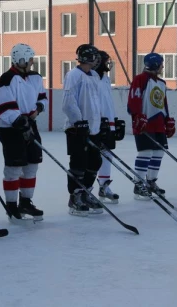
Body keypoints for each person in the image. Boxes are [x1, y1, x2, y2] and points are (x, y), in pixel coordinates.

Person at [0, 43, 46, 222]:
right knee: (14, 168)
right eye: (30, 59)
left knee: (32, 165)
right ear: (21, 59)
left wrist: (39, 108)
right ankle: (11, 206)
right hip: (11, 129)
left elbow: (42, 98)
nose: (32, 62)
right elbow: (4, 107)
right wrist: (18, 120)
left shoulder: (35, 78)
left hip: (30, 125)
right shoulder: (7, 79)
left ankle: (25, 202)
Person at [62, 44, 106, 216]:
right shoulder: (73, 75)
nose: (97, 60)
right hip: (77, 129)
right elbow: (68, 102)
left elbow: (96, 101)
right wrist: (78, 122)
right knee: (78, 163)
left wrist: (101, 121)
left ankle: (86, 192)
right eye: (95, 56)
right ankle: (75, 196)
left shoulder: (94, 75)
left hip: (92, 128)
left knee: (95, 162)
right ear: (88, 57)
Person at [127, 53, 175, 200]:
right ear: (154, 65)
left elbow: (163, 103)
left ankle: (151, 182)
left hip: (158, 123)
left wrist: (167, 119)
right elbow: (133, 99)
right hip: (144, 123)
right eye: (161, 64)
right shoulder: (140, 79)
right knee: (145, 153)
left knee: (159, 153)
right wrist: (136, 116)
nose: (162, 66)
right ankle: (138, 184)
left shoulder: (161, 83)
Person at [95, 50, 125, 204]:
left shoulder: (106, 79)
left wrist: (114, 121)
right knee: (93, 157)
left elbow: (107, 102)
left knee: (107, 155)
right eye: (106, 61)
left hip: (108, 123)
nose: (108, 64)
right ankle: (84, 191)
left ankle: (104, 187)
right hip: (96, 123)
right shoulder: (90, 78)